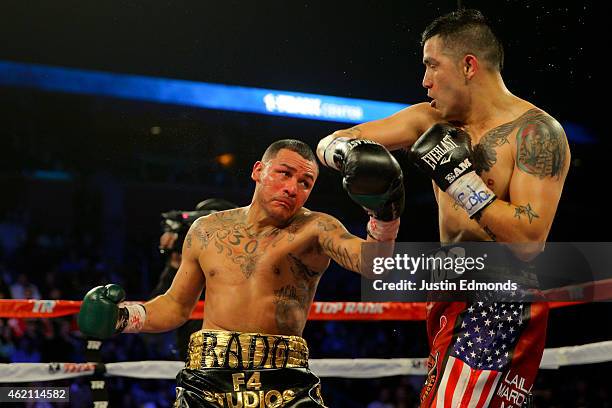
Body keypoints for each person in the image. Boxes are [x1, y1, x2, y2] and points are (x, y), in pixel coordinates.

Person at [317, 9, 570, 407]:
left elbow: (529, 239)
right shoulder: (430, 119)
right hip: (449, 289)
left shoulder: (535, 132)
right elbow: (336, 140)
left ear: (468, 65)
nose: (425, 80)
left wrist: (461, 180)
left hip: (499, 299)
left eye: (432, 66)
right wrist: (346, 153)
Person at [78, 139, 405, 407]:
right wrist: (123, 317)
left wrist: (384, 217)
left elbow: (374, 265)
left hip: (284, 380)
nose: (292, 188)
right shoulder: (207, 230)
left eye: (304, 183)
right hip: (208, 378)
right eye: (284, 174)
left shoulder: (316, 229)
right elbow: (176, 306)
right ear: (258, 171)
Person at [151, 198, 239, 361]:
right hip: (192, 356)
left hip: (234, 354)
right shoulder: (192, 258)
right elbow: (165, 308)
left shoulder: (243, 259)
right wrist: (174, 264)